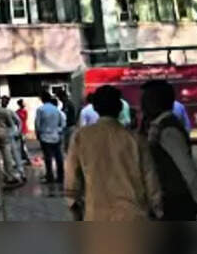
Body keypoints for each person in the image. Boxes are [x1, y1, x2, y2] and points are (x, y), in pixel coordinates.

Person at [65, 85, 162, 221]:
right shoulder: (137, 140)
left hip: (96, 215)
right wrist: (158, 211)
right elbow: (151, 181)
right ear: (120, 108)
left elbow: (71, 180)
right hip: (133, 216)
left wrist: (75, 208)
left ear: (95, 108)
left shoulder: (81, 137)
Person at [141, 80, 197, 220]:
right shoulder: (157, 125)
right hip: (167, 199)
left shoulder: (168, 130)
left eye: (145, 99)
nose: (142, 104)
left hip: (175, 201)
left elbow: (188, 169)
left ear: (156, 101)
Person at [36, 91, 67, 185]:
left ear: (42, 99)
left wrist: (38, 134)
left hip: (45, 136)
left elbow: (37, 124)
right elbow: (63, 124)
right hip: (56, 136)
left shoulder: (40, 109)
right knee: (59, 157)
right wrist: (58, 131)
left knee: (48, 158)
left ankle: (50, 177)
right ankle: (61, 177)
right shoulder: (57, 110)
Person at [0, 97, 23, 185]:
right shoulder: (5, 112)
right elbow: (12, 124)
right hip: (5, 135)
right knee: (7, 156)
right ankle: (10, 176)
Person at [15, 99, 31, 164]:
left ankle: (25, 156)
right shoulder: (18, 112)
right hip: (20, 129)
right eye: (23, 103)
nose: (24, 104)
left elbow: (24, 119)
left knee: (23, 143)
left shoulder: (23, 111)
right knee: (21, 144)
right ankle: (24, 156)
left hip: (23, 129)